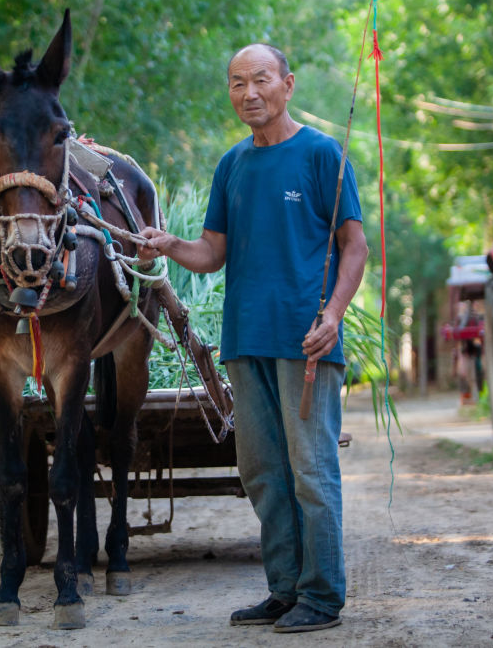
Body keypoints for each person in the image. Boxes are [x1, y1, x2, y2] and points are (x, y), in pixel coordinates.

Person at [138, 43, 368, 633]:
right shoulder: (232, 165)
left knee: (311, 470)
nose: (250, 93)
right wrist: (170, 246)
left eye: (260, 80)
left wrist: (335, 313)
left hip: (306, 340)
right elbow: (211, 253)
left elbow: (355, 245)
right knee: (263, 471)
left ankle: (322, 596)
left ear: (287, 84)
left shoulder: (323, 155)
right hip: (245, 340)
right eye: (237, 83)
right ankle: (285, 589)